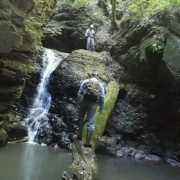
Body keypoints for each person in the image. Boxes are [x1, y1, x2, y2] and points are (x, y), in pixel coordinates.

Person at [77, 71, 105, 148]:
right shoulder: (100, 85)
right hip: (93, 103)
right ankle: (87, 142)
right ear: (97, 77)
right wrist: (101, 108)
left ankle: (79, 135)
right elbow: (102, 98)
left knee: (81, 117)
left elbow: (79, 93)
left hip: (84, 100)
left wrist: (78, 103)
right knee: (91, 122)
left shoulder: (85, 81)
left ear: (91, 76)